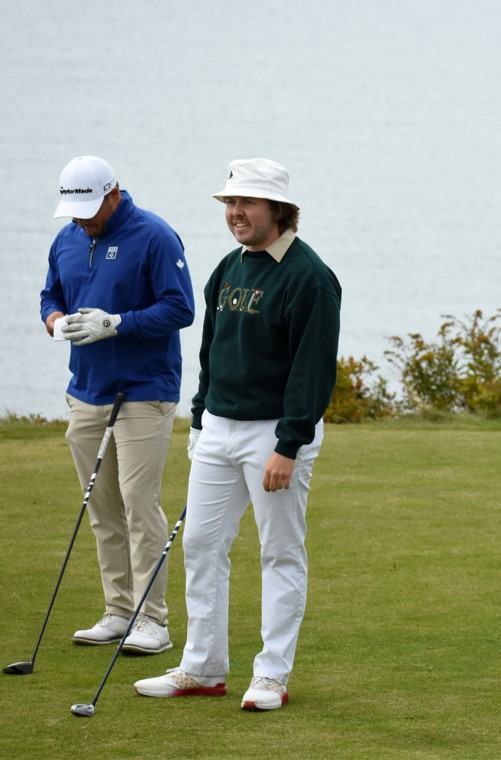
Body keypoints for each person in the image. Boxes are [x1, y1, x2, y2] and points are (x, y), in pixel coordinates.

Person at [135, 158, 341, 712]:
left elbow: (314, 369)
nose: (235, 213)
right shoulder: (228, 268)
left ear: (278, 209)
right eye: (229, 203)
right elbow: (212, 353)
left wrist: (289, 444)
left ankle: (271, 675)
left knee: (280, 552)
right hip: (218, 430)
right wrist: (201, 419)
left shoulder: (310, 277)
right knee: (202, 546)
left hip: (274, 435)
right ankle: (203, 668)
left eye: (246, 203)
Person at [40, 155, 194, 655]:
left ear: (114, 194)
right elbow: (49, 296)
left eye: (89, 208)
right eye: (74, 210)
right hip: (86, 391)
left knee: (137, 502)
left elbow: (181, 308)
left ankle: (153, 621)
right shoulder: (67, 238)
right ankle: (118, 610)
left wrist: (118, 322)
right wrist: (55, 320)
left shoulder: (155, 236)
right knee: (102, 506)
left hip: (145, 390)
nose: (81, 219)